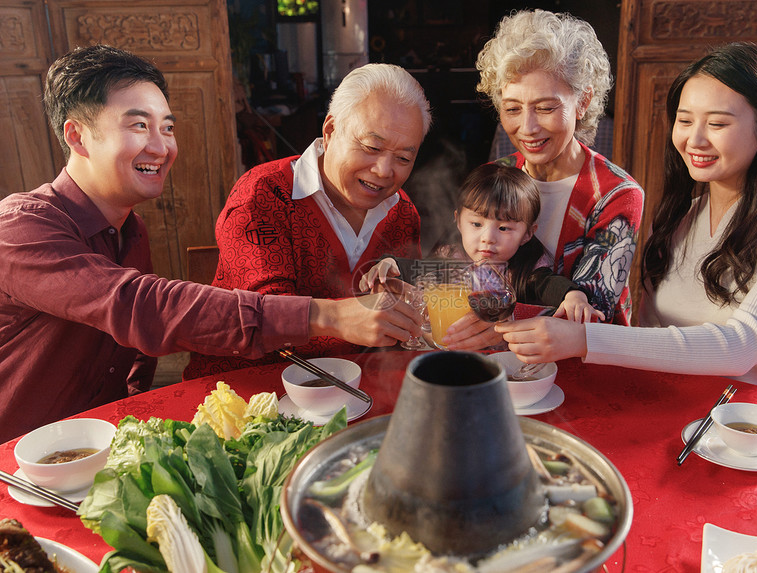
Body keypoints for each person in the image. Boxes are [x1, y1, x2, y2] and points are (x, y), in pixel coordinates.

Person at [0, 45, 422, 442]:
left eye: (167, 127)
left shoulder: (131, 232)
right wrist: (330, 315)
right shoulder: (19, 229)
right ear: (78, 137)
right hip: (18, 452)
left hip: (96, 438)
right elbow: (140, 306)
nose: (161, 145)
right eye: (139, 125)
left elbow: (135, 349)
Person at [497, 42, 757, 400]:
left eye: (717, 123)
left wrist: (583, 338)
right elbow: (652, 335)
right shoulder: (676, 221)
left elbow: (742, 346)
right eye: (684, 120)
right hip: (690, 410)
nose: (694, 139)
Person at [183, 63, 432, 378]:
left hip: (358, 387)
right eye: (372, 147)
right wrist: (342, 318)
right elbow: (264, 314)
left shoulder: (402, 212)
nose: (384, 171)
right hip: (251, 391)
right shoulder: (264, 194)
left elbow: (409, 307)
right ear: (330, 131)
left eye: (403, 158)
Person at [445, 9, 644, 351]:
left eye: (546, 108)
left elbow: (590, 313)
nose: (528, 128)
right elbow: (463, 263)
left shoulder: (616, 194)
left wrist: (498, 321)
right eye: (512, 109)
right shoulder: (499, 174)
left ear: (583, 101)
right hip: (499, 361)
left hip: (583, 367)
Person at [360, 163, 605, 323]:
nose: (488, 237)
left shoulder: (525, 269)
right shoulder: (451, 258)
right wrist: (390, 263)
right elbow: (419, 270)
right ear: (458, 221)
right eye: (476, 224)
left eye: (504, 228)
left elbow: (549, 285)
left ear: (528, 234)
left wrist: (574, 295)